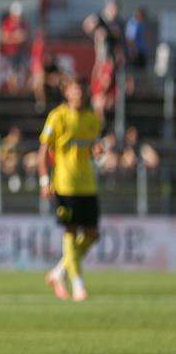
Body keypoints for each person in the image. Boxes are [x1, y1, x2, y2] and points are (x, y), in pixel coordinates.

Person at [38, 78, 102, 302]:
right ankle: (78, 285)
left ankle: (59, 272)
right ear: (66, 93)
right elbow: (43, 151)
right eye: (74, 90)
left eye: (81, 90)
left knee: (93, 234)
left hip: (88, 185)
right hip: (65, 185)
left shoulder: (91, 119)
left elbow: (93, 147)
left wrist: (97, 150)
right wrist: (44, 181)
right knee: (71, 232)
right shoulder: (57, 116)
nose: (79, 94)